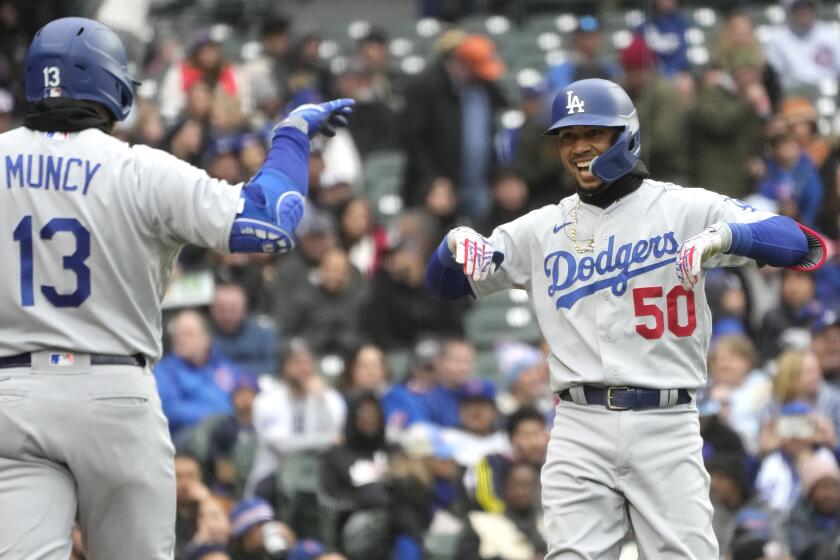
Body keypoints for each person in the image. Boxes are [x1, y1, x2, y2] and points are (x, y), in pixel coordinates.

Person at [424, 78, 827, 558]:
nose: (578, 148)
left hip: (667, 420)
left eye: (592, 133)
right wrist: (452, 247)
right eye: (568, 137)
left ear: (625, 135)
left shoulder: (683, 207)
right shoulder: (540, 228)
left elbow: (804, 246)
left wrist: (728, 238)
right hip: (578, 423)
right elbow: (445, 286)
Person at [0, 17, 353, 559]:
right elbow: (272, 221)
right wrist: (290, 137)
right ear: (110, 86)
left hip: (12, 396)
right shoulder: (139, 168)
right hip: (112, 391)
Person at [210, 281, 279, 376]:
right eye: (221, 310)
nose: (227, 315)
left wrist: (234, 372)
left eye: (233, 310)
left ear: (245, 309)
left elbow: (273, 365)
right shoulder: (205, 336)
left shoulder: (263, 333)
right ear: (212, 310)